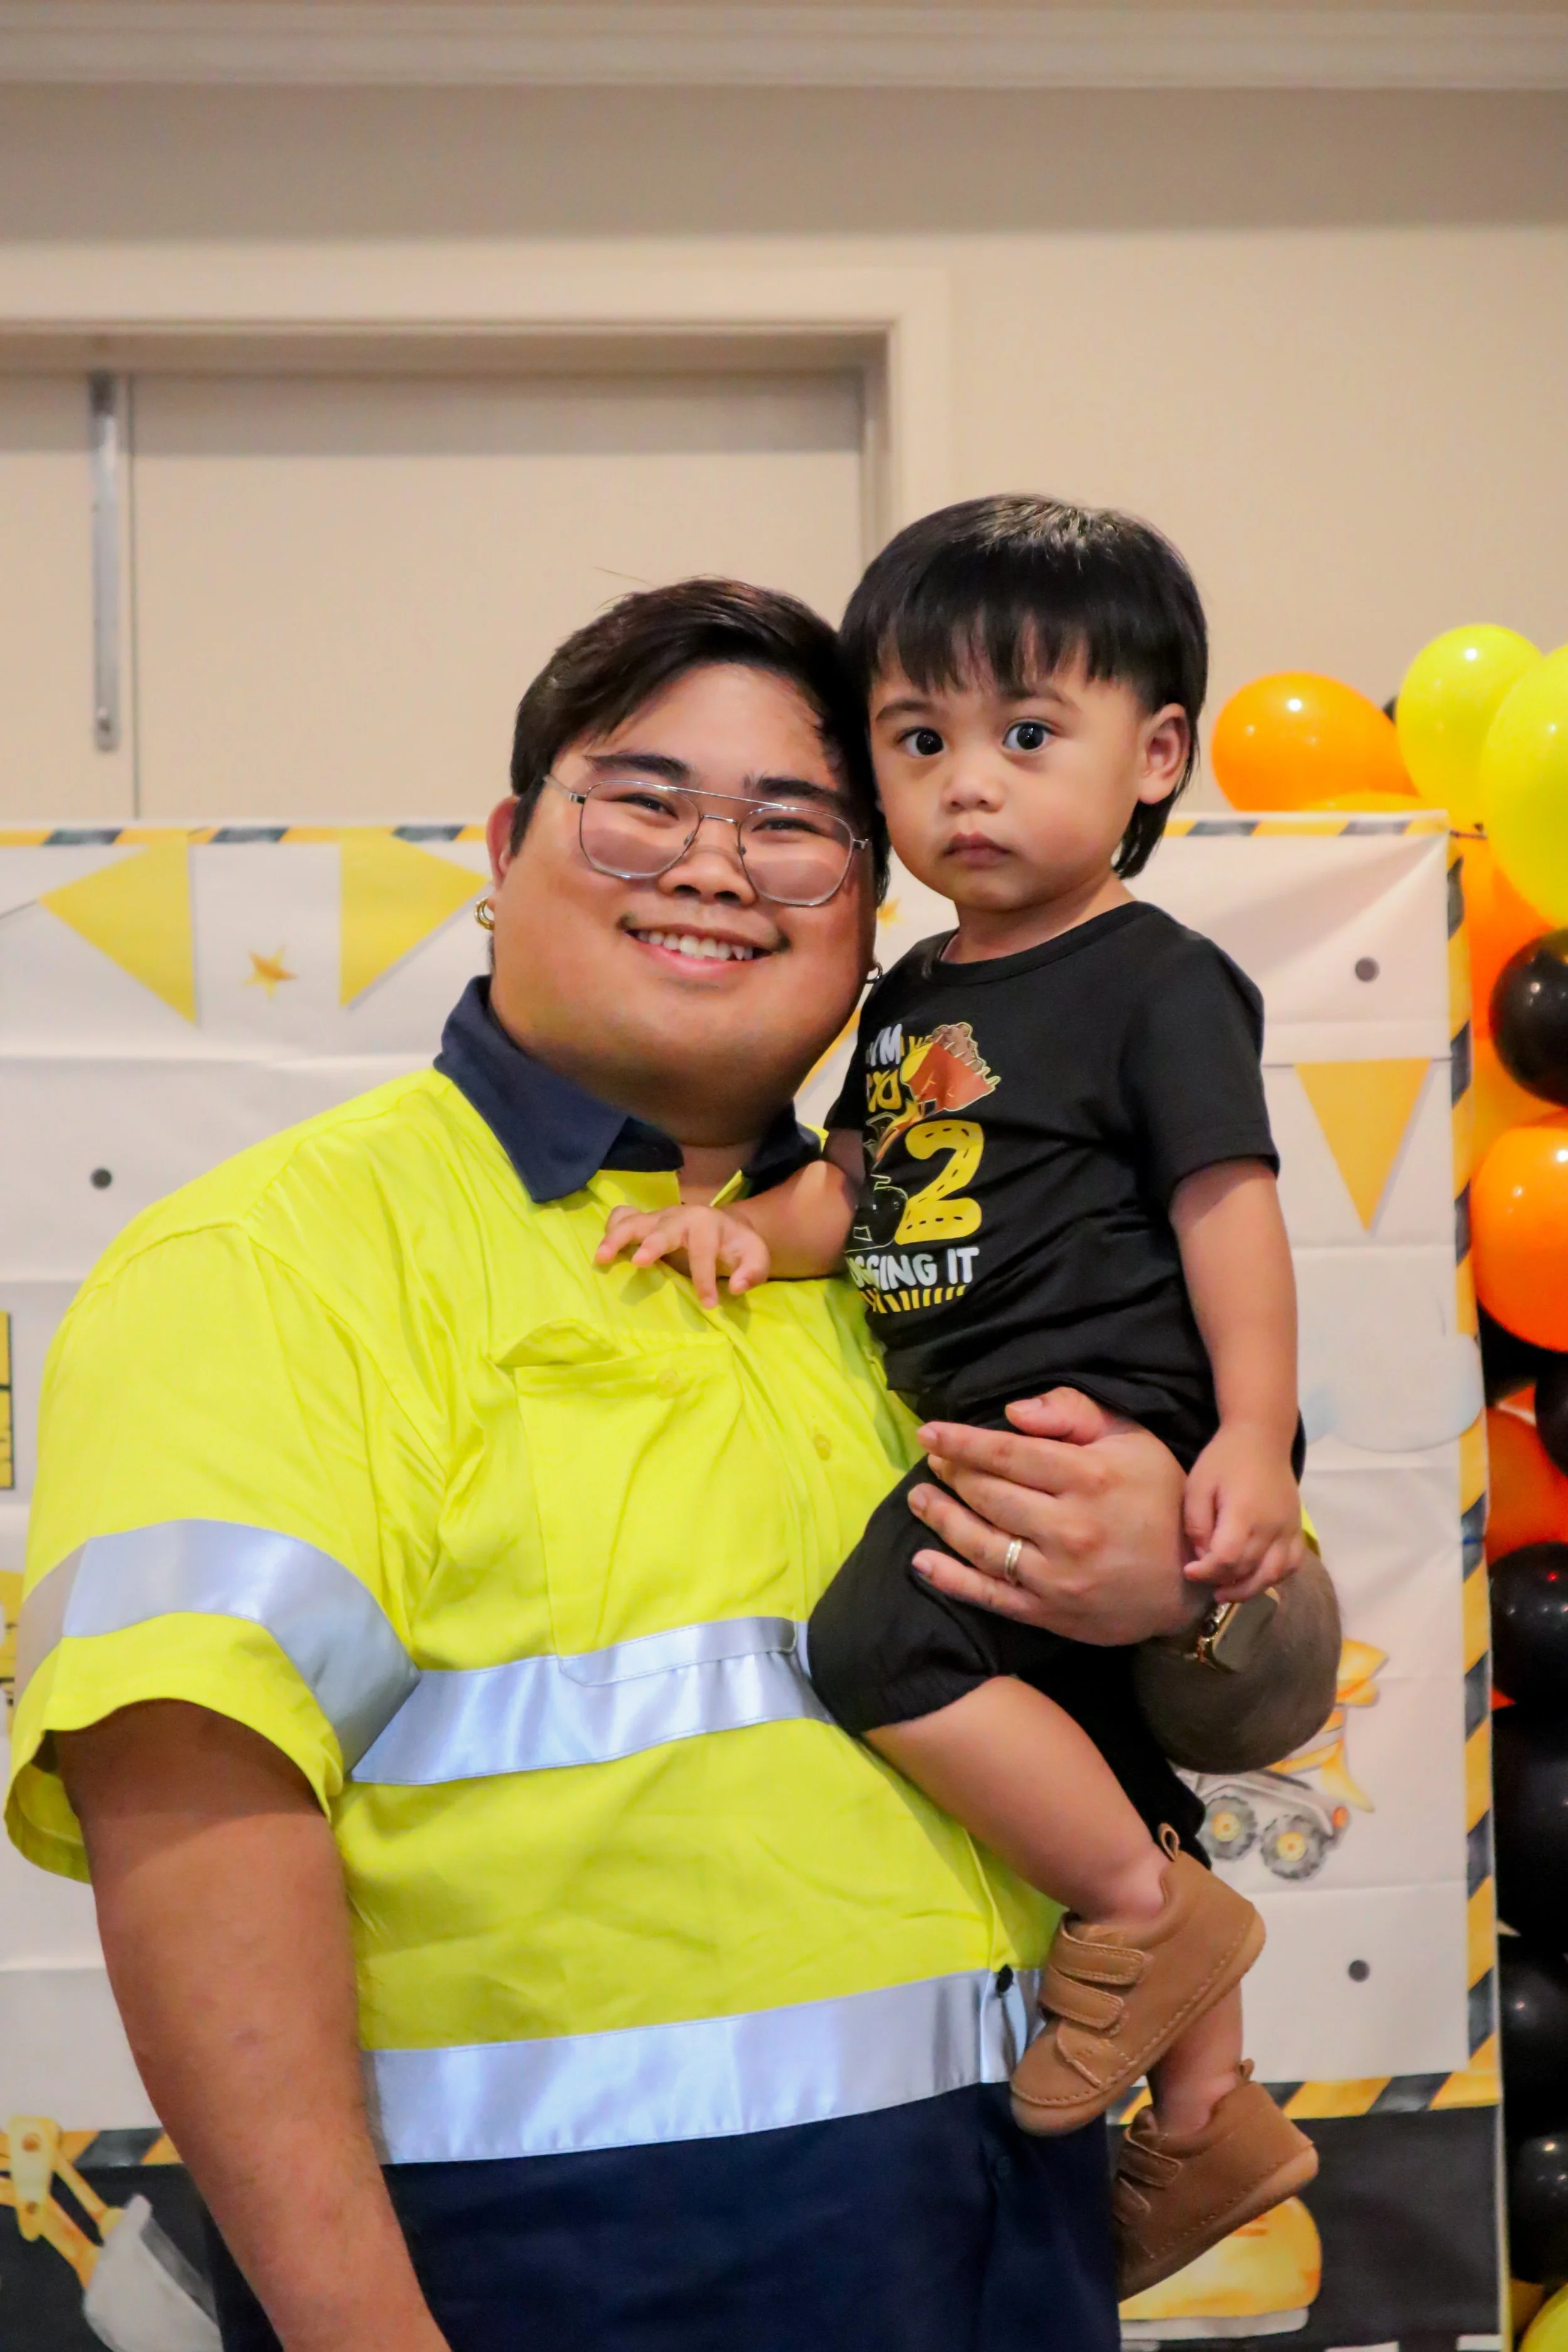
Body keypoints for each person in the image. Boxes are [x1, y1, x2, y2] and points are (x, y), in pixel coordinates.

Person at [9, 577, 1301, 2352]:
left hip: (1007, 2240)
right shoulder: (275, 1259)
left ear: (876, 909)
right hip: (551, 2264)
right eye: (643, 800)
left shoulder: (938, 1240)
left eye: (795, 828)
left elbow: (1260, 1687)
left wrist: (1181, 1580)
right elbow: (194, 1821)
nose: (712, 864)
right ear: (504, 843)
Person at [600, 501, 1318, 2296]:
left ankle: (1146, 1914)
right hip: (987, 1399)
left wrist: (1243, 1437)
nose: (964, 787)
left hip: (1096, 1399)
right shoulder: (913, 986)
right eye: (917, 742)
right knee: (1087, 1732)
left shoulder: (1157, 977)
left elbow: (1228, 1205)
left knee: (877, 1646)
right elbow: (862, 1180)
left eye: (1023, 735)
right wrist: (740, 1229)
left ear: (1153, 754)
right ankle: (1215, 2105)